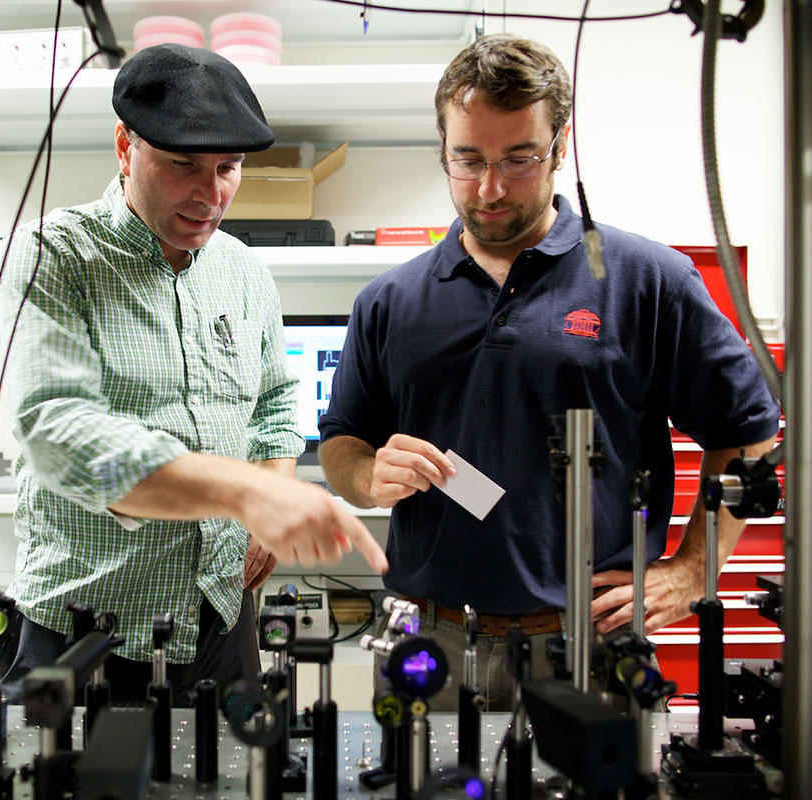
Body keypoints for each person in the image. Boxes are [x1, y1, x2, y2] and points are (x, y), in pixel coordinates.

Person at [318, 33, 779, 711]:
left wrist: (692, 570)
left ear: (562, 146)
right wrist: (366, 475)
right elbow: (343, 440)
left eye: (520, 159)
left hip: (590, 646)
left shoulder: (650, 281)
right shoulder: (389, 301)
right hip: (430, 643)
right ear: (442, 148)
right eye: (467, 160)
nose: (491, 188)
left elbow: (746, 434)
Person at [0, 43, 387, 705]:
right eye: (183, 165)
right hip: (86, 627)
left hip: (219, 618)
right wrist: (242, 493)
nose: (211, 195)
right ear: (125, 145)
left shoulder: (243, 270)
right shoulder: (53, 255)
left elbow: (274, 401)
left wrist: (269, 493)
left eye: (229, 167)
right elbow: (59, 432)